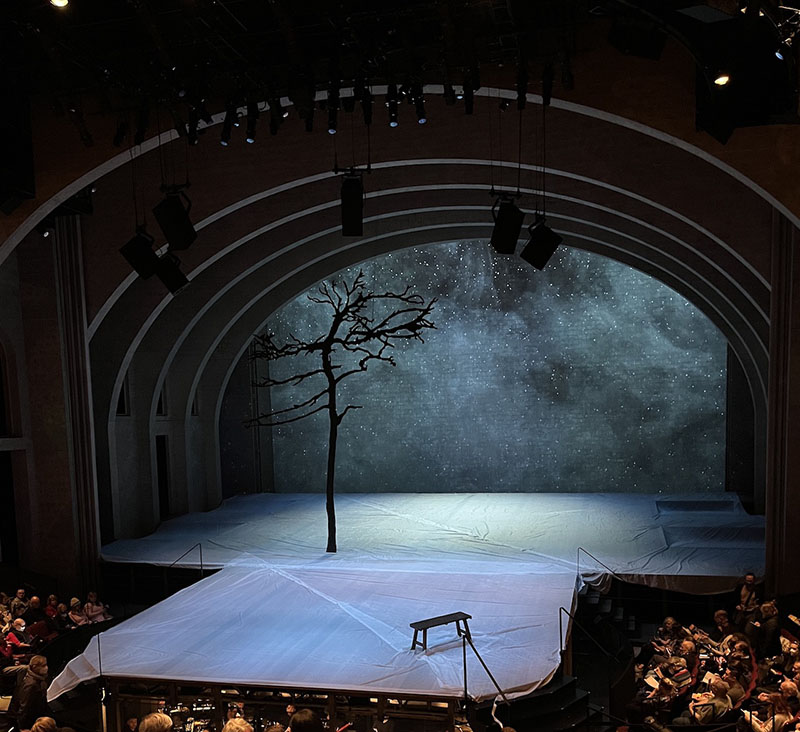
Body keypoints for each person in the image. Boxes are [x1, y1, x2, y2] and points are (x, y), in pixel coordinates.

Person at [8, 655, 50, 730]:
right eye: (43, 665)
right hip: (27, 718)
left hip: (35, 713)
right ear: (34, 667)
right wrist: (22, 727)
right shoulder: (30, 684)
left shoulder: (39, 678)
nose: (46, 667)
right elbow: (23, 707)